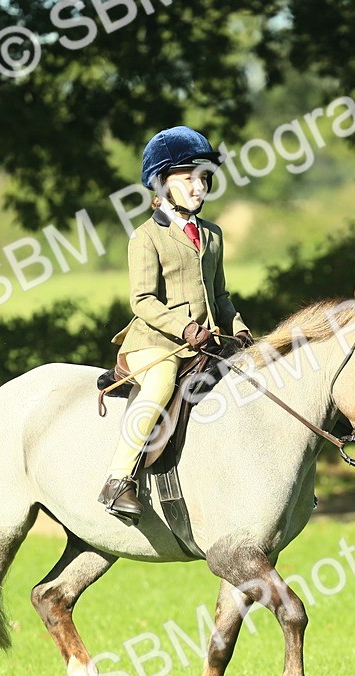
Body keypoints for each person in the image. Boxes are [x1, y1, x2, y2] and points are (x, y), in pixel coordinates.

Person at [98, 126, 255, 521]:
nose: (199, 187)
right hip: (155, 342)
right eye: (188, 179)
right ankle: (118, 480)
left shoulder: (212, 235)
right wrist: (185, 328)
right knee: (161, 383)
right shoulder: (146, 236)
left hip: (206, 340)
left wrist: (238, 327)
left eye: (204, 179)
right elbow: (142, 301)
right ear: (161, 183)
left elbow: (220, 295)